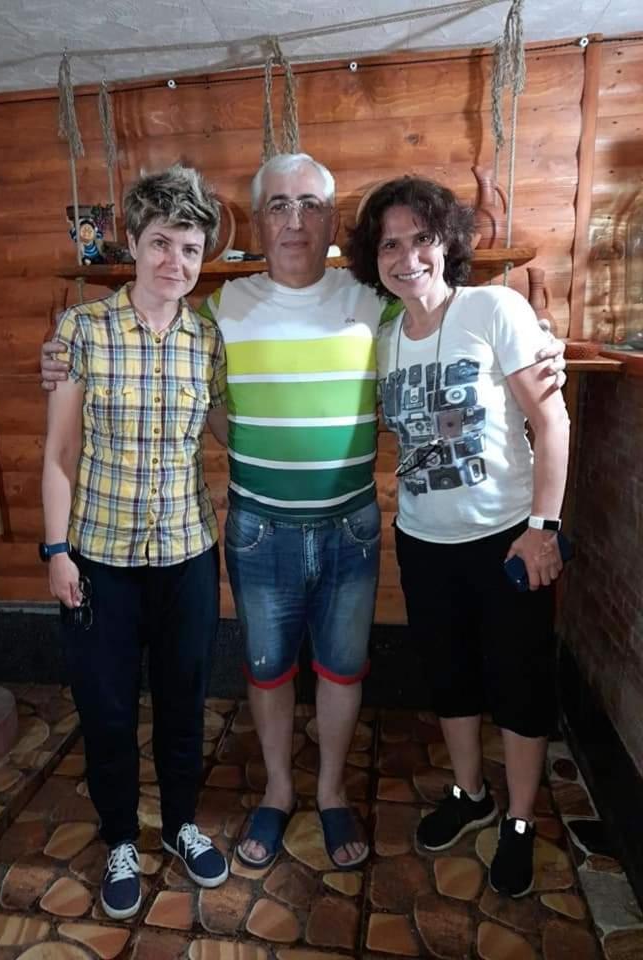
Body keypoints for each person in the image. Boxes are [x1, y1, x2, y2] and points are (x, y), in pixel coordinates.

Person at [41, 153, 566, 874]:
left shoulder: (374, 298)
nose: (295, 220)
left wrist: (543, 340)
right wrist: (61, 355)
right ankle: (279, 791)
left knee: (344, 669)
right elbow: (194, 387)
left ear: (332, 218)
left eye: (310, 204)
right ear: (259, 222)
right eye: (279, 205)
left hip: (352, 525)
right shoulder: (221, 312)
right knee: (266, 670)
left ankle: (331, 792)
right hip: (258, 528)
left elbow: (440, 318)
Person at [347, 175, 570, 897]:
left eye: (421, 239)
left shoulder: (492, 308)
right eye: (390, 245)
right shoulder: (387, 338)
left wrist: (543, 530)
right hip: (422, 541)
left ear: (446, 243)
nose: (407, 257)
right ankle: (471, 795)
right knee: (449, 677)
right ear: (374, 258)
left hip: (506, 538)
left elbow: (552, 422)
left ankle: (521, 819)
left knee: (519, 681)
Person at [41, 164, 229, 922]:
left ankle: (180, 822)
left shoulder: (207, 337)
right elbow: (59, 452)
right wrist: (56, 551)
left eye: (190, 248)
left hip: (188, 554)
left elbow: (228, 427)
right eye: (160, 243)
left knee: (185, 703)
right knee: (108, 710)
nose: (174, 262)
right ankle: (121, 836)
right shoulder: (82, 331)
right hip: (100, 562)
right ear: (133, 241)